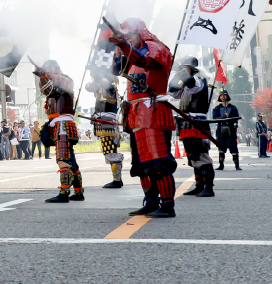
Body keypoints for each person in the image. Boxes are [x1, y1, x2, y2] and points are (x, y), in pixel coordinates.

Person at [110, 17, 177, 218]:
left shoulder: (157, 49)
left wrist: (123, 44)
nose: (127, 38)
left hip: (153, 110)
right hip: (135, 113)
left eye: (130, 34)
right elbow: (115, 70)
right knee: (141, 165)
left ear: (141, 32)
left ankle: (167, 205)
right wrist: (120, 49)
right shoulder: (130, 56)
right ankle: (150, 202)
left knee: (157, 162)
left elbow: (143, 60)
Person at [36, 60, 83, 203]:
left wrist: (42, 76)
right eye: (45, 68)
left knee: (63, 159)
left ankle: (64, 193)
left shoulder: (62, 78)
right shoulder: (55, 80)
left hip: (62, 124)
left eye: (49, 68)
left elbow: (48, 90)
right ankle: (78, 192)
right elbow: (47, 89)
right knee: (71, 161)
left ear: (57, 68)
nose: (47, 71)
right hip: (59, 124)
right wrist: (43, 77)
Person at [168, 56, 215, 197]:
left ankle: (209, 188)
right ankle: (199, 185)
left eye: (184, 67)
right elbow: (172, 91)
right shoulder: (186, 82)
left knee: (201, 154)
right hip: (186, 122)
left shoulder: (197, 81)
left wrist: (180, 71)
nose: (182, 69)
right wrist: (176, 73)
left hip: (197, 121)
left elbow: (190, 83)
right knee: (193, 155)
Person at [86, 73, 124, 188]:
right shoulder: (103, 88)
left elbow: (103, 84)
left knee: (111, 151)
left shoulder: (110, 88)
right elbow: (88, 87)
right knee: (108, 150)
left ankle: (117, 180)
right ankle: (116, 179)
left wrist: (98, 74)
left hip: (107, 122)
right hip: (102, 121)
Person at [212, 89, 241, 170]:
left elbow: (236, 117)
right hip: (221, 130)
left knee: (233, 148)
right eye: (221, 95)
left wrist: (229, 117)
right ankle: (221, 165)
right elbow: (215, 118)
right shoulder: (217, 108)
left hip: (231, 130)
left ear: (227, 96)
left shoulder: (233, 108)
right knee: (221, 148)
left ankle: (237, 165)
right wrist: (222, 117)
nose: (223, 97)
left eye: (224, 95)